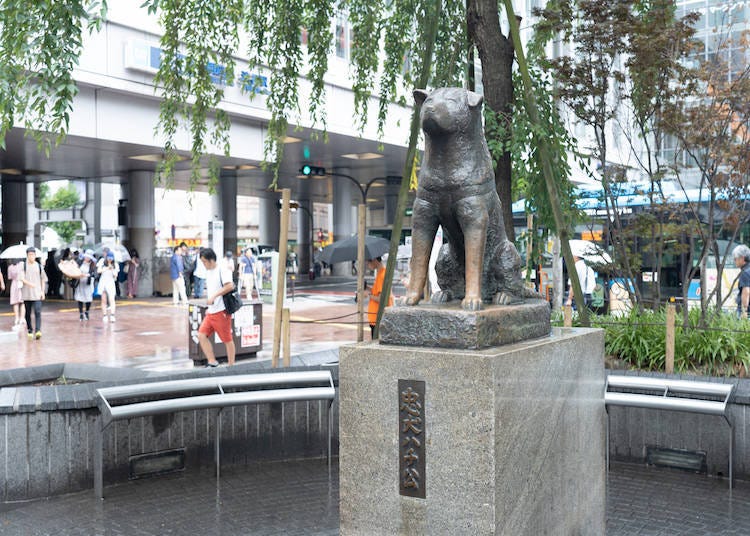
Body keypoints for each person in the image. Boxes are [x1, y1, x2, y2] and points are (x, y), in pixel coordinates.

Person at [196, 248, 236, 367]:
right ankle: (212, 361)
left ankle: (231, 365)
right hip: (211, 311)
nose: (204, 265)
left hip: (221, 311)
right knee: (201, 335)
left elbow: (230, 286)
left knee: (227, 340)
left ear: (211, 260)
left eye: (204, 262)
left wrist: (214, 296)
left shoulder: (222, 269)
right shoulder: (209, 271)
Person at [20, 247, 47, 339]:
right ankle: (30, 330)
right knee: (28, 313)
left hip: (37, 294)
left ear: (35, 255)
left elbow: (43, 279)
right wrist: (29, 283)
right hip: (27, 294)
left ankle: (38, 330)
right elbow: (21, 278)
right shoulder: (23, 266)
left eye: (33, 254)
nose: (31, 256)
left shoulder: (39, 266)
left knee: (37, 311)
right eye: (30, 255)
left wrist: (43, 292)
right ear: (27, 255)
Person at [366, 256, 393, 338]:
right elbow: (378, 292)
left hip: (378, 318)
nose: (367, 265)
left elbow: (381, 299)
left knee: (376, 342)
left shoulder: (381, 276)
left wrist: (368, 295)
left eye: (368, 262)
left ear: (374, 260)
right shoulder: (381, 274)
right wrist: (368, 288)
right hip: (377, 317)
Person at [74, 251, 97, 321]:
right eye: (86, 256)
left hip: (88, 283)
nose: (87, 258)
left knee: (88, 298)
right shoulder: (80, 262)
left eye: (88, 257)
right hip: (80, 282)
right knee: (80, 297)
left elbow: (95, 274)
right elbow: (75, 270)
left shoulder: (92, 265)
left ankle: (87, 312)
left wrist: (88, 275)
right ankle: (81, 313)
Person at [98, 252, 119, 322]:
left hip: (110, 283)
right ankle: (104, 315)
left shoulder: (115, 265)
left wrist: (112, 269)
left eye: (111, 258)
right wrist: (107, 268)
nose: (110, 260)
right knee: (103, 300)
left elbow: (116, 275)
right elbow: (99, 271)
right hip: (103, 282)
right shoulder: (102, 262)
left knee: (111, 299)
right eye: (108, 258)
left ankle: (112, 315)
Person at [733, 245, 750, 318]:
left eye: (735, 258)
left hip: (747, 310)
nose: (734, 261)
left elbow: (746, 292)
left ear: (742, 258)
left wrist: (744, 311)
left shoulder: (745, 272)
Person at [7, 260, 24, 330]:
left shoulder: (10, 267)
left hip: (14, 284)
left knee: (15, 302)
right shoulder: (22, 265)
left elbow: (9, 277)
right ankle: (22, 318)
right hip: (21, 283)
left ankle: (16, 318)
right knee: (22, 302)